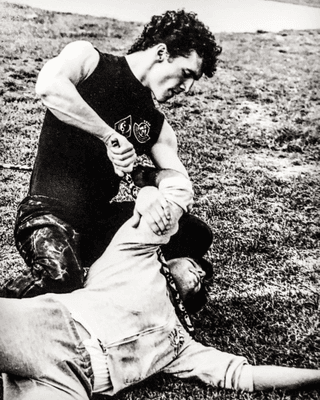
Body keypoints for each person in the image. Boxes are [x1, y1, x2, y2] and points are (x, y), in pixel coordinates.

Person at [0, 170, 319, 399]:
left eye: (202, 283)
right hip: (50, 327)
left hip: (76, 381)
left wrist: (316, 377)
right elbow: (175, 195)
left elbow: (243, 376)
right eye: (198, 265)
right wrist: (150, 189)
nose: (201, 276)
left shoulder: (180, 344)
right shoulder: (134, 254)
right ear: (172, 257)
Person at [1, 9, 222, 298]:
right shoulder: (90, 61)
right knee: (61, 279)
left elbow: (176, 178)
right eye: (187, 73)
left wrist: (150, 189)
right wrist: (108, 135)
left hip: (97, 223)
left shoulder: (158, 126)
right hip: (49, 213)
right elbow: (49, 86)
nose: (188, 87)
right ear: (161, 52)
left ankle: (148, 283)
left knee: (196, 233)